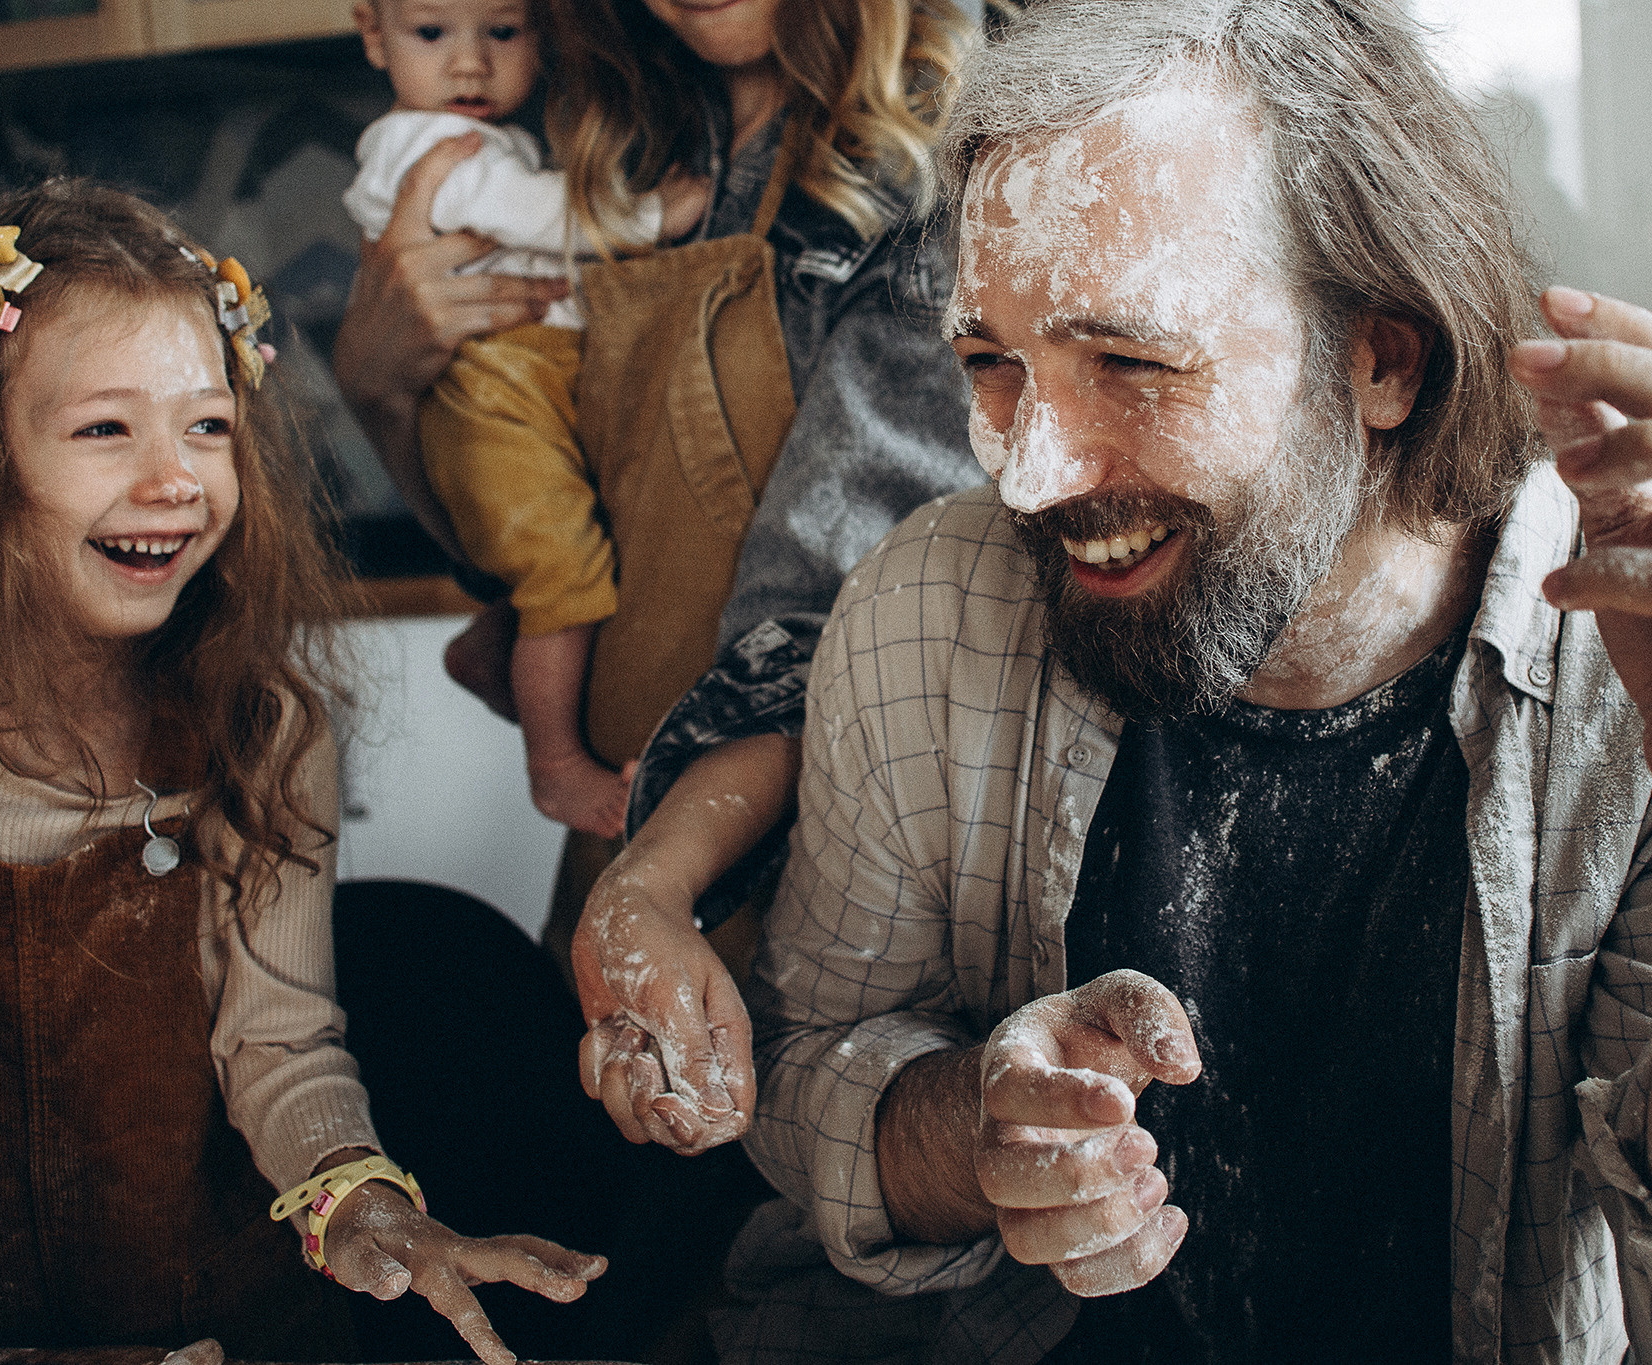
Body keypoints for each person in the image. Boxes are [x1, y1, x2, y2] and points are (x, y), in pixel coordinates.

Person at [710, 1, 1652, 1361]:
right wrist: (968, 1124)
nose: (1025, 472)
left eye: (1132, 364)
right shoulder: (928, 606)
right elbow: (805, 1065)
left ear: (1382, 360)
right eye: (992, 366)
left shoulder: (1621, 659)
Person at [0, 176, 602, 1360]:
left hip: (218, 1332)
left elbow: (281, 1051)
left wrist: (365, 1208)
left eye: (207, 424)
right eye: (103, 427)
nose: (176, 478)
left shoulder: (263, 732)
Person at [333, 0, 983, 1050]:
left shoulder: (931, 154)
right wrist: (382, 393)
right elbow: (528, 547)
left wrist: (662, 874)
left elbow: (826, 604)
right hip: (623, 851)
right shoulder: (619, 147)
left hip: (833, 896)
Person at [344, 0, 710, 838]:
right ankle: (553, 764)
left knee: (562, 553)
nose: (469, 65)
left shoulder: (489, 138)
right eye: (432, 34)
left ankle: (493, 644)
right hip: (492, 389)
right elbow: (535, 216)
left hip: (522, 382)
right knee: (567, 572)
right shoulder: (425, 144)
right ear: (372, 34)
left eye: (501, 33)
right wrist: (653, 218)